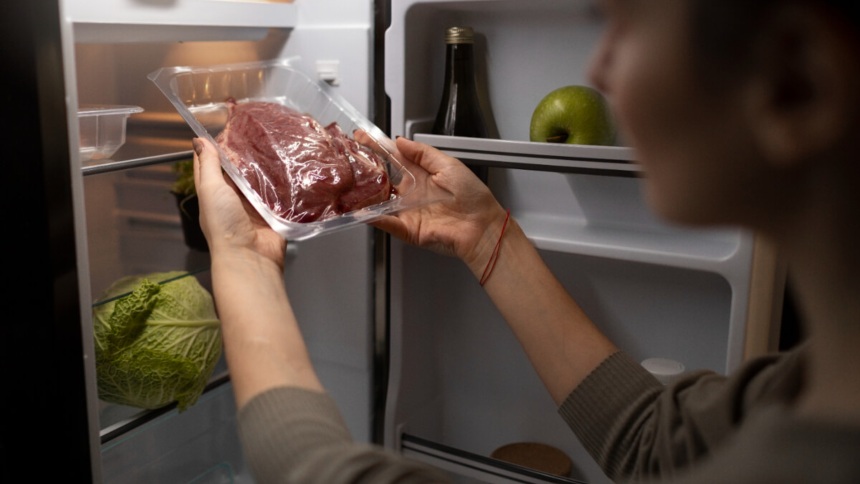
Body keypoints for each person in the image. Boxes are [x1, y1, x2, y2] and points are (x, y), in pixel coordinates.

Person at [190, 0, 860, 482]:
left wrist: (245, 260)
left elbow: (323, 472)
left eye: (625, 23)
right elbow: (655, 442)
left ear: (796, 80)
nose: (599, 69)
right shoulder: (799, 391)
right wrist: (487, 238)